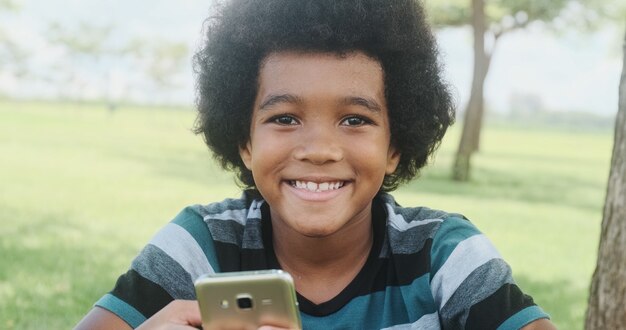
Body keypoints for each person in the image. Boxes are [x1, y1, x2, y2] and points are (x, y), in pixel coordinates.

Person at [76, 0, 556, 329]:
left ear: (396, 146)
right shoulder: (203, 245)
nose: (320, 149)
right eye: (285, 118)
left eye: (354, 119)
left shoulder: (444, 255)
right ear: (244, 141)